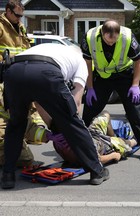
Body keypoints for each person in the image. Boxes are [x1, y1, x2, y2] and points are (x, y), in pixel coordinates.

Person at [1, 43, 109, 189]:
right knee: (73, 122)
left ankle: (8, 175)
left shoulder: (51, 49)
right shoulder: (80, 61)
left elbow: (39, 101)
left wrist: (54, 127)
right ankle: (97, 171)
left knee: (16, 124)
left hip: (13, 71)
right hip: (45, 71)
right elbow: (76, 102)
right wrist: (67, 127)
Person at [81, 19, 140, 163]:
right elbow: (87, 64)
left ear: (118, 34)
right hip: (102, 76)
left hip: (124, 75)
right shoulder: (89, 37)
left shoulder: (127, 36)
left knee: (135, 111)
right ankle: (81, 144)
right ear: (102, 33)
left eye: (114, 41)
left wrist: (135, 85)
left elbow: (139, 61)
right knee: (90, 109)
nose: (111, 44)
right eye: (108, 41)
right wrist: (89, 88)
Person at [0, 0, 47, 167]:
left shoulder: (20, 27)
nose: (20, 18)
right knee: (9, 116)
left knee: (26, 113)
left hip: (19, 77)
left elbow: (26, 50)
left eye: (22, 15)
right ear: (8, 11)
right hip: (3, 78)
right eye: (17, 15)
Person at [52, 110, 138, 166]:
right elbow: (97, 159)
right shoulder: (80, 145)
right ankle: (134, 140)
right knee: (124, 143)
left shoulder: (57, 141)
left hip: (92, 135)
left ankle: (113, 137)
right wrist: (114, 155)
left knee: (105, 114)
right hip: (101, 144)